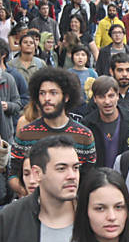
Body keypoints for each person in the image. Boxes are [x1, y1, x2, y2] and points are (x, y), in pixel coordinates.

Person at [8, 67, 95, 196]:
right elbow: (13, 175)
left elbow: (89, 179)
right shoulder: (25, 134)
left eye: (53, 93)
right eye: (42, 93)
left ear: (66, 97)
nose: (46, 98)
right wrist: (28, 194)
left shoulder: (84, 136)